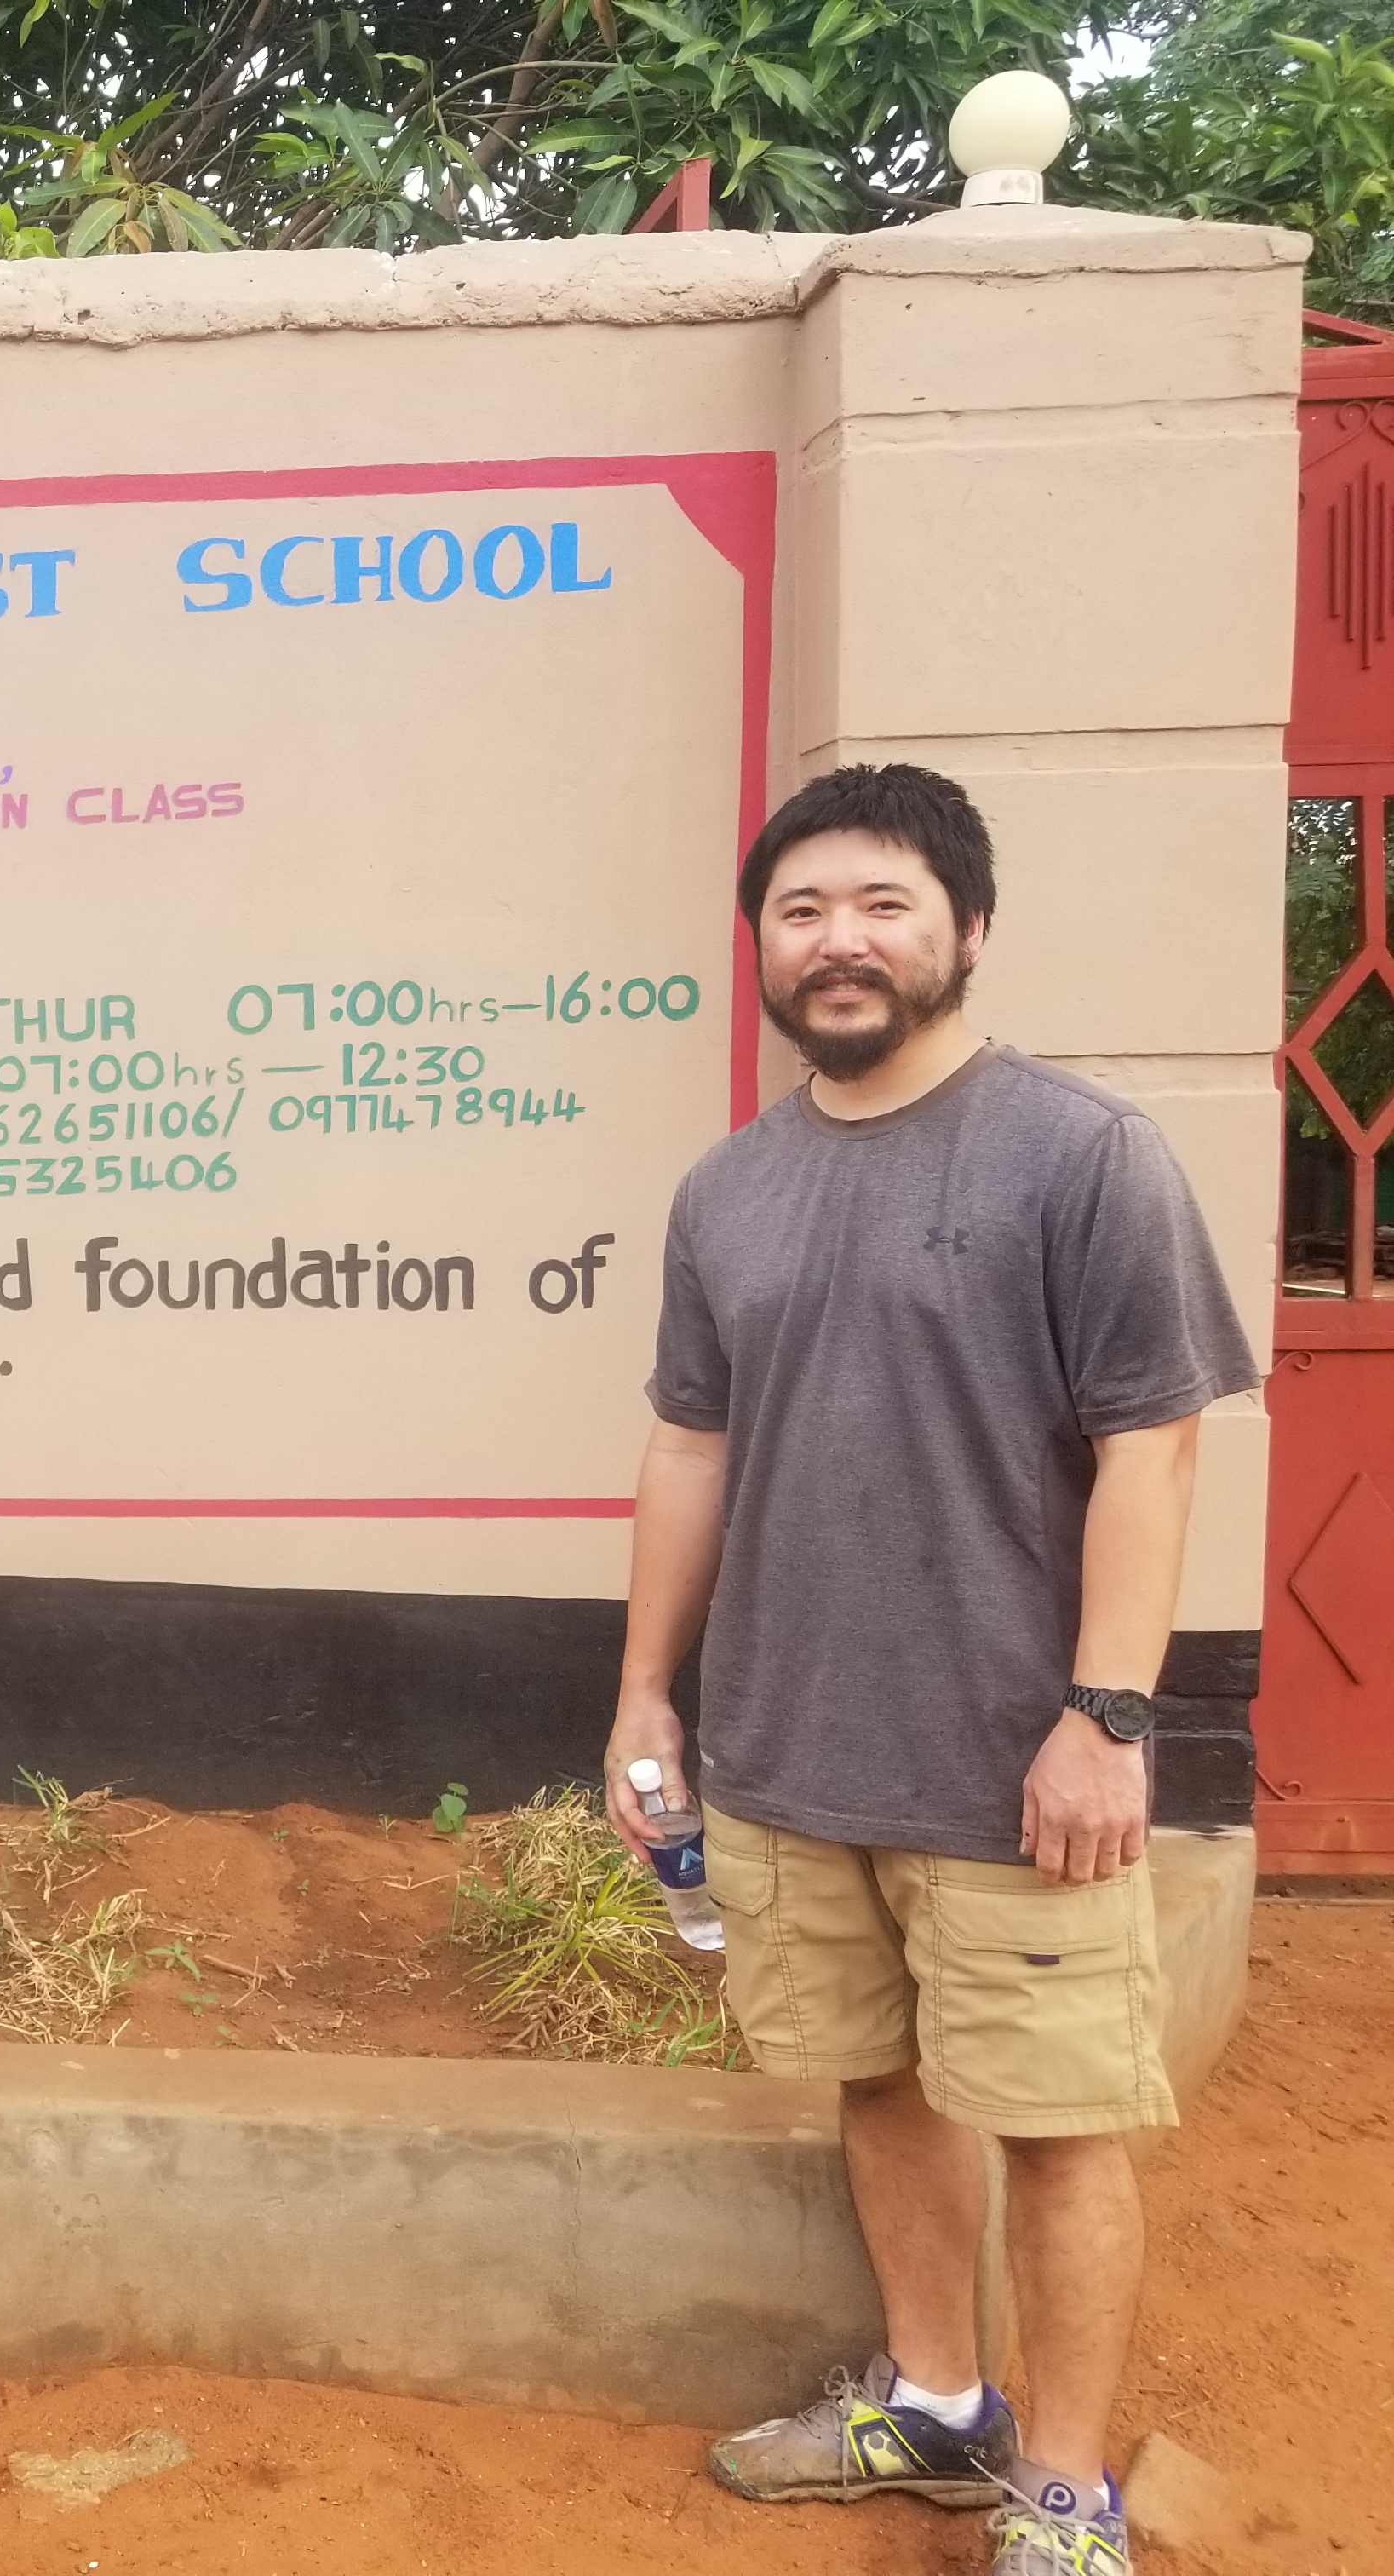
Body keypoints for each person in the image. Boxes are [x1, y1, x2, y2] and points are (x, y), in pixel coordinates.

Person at [607, 764, 1257, 2576]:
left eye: (885, 904)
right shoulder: (728, 1193)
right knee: (876, 2084)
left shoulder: (1079, 1155)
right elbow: (690, 1448)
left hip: (1015, 1769)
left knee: (1054, 2128)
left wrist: (1107, 1718)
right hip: (795, 1751)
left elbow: (1159, 1444)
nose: (841, 941)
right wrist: (648, 1693)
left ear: (968, 931)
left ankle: (1061, 2495)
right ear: (763, 948)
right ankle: (936, 2401)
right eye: (804, 910)